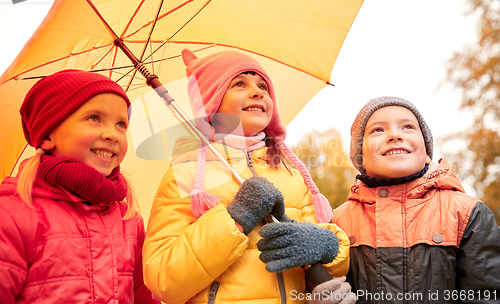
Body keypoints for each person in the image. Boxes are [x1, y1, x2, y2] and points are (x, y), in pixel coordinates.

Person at [143, 49, 354, 304]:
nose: (258, 92)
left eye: (263, 85)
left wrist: (328, 248)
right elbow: (163, 280)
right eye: (239, 84)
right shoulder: (186, 175)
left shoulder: (292, 175)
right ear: (212, 102)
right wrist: (237, 217)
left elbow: (328, 269)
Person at [0, 70, 159, 304]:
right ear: (48, 135)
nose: (112, 134)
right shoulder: (12, 215)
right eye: (94, 118)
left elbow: (145, 297)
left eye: (121, 124)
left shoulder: (128, 219)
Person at [332, 96, 500, 304]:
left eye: (408, 127)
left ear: (427, 154)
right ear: (360, 157)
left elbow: (487, 297)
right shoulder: (337, 222)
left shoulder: (467, 214)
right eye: (378, 130)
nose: (394, 135)